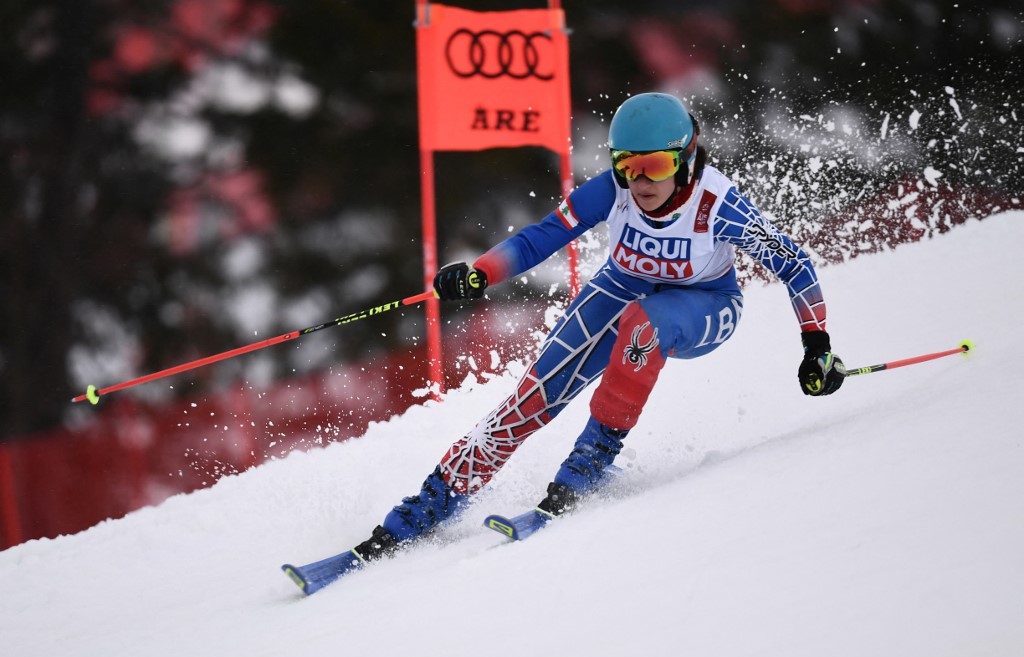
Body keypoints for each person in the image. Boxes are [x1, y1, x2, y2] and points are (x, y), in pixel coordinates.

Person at [350, 92, 845, 560]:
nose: (640, 181)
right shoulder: (612, 191)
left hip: (704, 303)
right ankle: (433, 500)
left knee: (643, 325)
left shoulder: (717, 205)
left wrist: (816, 346)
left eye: (656, 165)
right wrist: (481, 272)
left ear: (687, 159)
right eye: (627, 165)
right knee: (533, 396)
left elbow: (794, 264)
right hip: (622, 285)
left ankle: (592, 458)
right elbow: (539, 239)